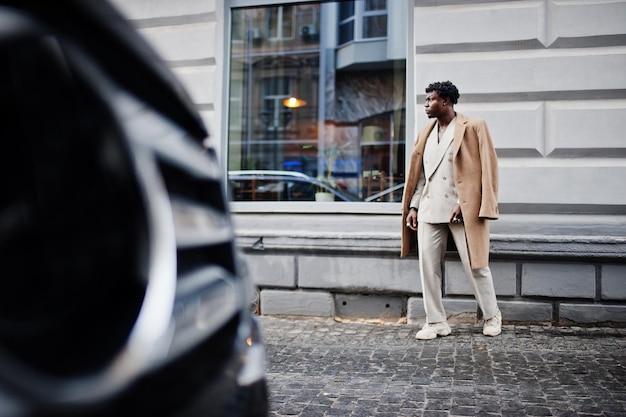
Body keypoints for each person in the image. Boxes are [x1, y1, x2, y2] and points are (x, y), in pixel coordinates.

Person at [401, 81, 502, 340]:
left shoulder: (475, 127)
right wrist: (413, 206)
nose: (426, 104)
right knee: (428, 267)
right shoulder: (425, 132)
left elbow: (488, 172)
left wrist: (469, 203)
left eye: (430, 99)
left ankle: (492, 316)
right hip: (428, 209)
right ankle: (436, 322)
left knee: (476, 266)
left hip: (462, 210)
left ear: (445, 101)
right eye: (426, 100)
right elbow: (421, 175)